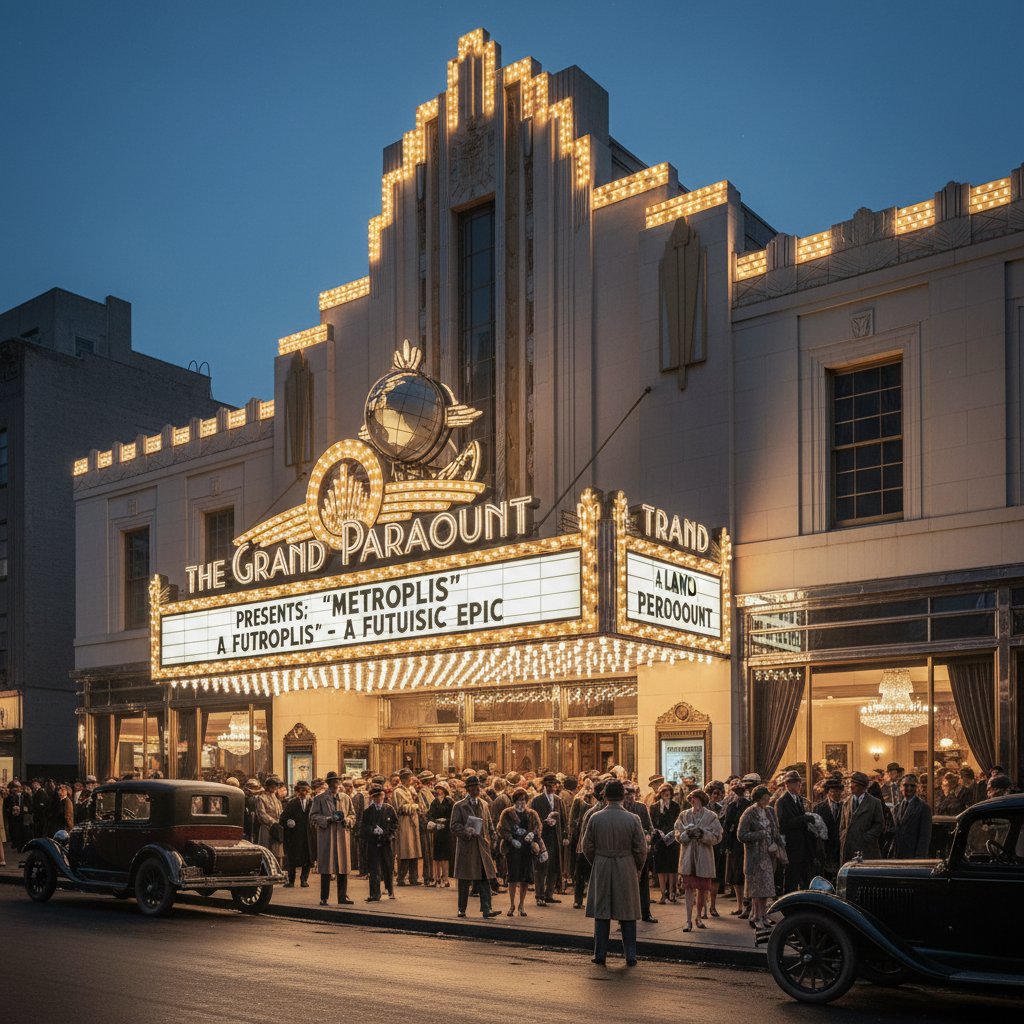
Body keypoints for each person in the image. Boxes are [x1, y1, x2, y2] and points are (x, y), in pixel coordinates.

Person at [581, 779, 647, 967]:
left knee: (602, 913)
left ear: (605, 796)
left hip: (602, 863)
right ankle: (630, 955)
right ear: (623, 797)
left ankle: (599, 954)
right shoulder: (633, 819)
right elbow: (641, 848)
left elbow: (586, 846)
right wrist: (637, 867)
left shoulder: (595, 817)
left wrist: (598, 861)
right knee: (627, 912)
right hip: (625, 864)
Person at [450, 774, 501, 919]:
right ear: (468, 790)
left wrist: (493, 838)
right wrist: (466, 831)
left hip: (482, 847)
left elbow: (489, 824)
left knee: (485, 878)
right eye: (473, 788)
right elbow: (453, 826)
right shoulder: (459, 805)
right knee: (464, 880)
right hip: (467, 847)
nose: (476, 790)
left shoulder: (484, 804)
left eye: (477, 787)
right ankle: (461, 909)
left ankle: (487, 909)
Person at [675, 789, 723, 931]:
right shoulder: (684, 815)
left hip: (704, 857)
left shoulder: (711, 816)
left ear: (701, 800)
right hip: (688, 857)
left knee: (702, 890)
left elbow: (718, 836)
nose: (692, 801)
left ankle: (699, 917)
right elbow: (677, 833)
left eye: (695, 798)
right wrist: (687, 834)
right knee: (688, 889)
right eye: (691, 798)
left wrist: (702, 834)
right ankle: (688, 920)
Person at [736, 785, 781, 929]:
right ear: (757, 798)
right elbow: (741, 835)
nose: (767, 799)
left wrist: (778, 841)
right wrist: (759, 835)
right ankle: (756, 916)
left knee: (767, 887)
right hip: (755, 855)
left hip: (768, 854)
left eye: (768, 797)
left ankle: (763, 915)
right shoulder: (749, 812)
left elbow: (775, 829)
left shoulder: (769, 811)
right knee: (756, 888)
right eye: (764, 797)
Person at [309, 771, 355, 906]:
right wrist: (328, 819)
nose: (336, 784)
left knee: (343, 866)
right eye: (333, 782)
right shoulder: (319, 799)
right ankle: (324, 897)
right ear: (328, 783)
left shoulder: (346, 798)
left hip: (342, 835)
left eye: (337, 781)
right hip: (327, 835)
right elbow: (312, 817)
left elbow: (353, 815)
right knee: (326, 867)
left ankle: (342, 896)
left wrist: (347, 820)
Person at [498, 787, 545, 917]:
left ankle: (521, 905)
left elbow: (538, 827)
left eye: (523, 800)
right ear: (514, 801)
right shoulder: (507, 813)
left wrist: (532, 834)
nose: (521, 803)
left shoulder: (531, 814)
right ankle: (512, 904)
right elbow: (501, 829)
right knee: (512, 878)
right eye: (518, 801)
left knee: (525, 879)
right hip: (512, 850)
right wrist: (511, 840)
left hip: (526, 850)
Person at [775, 769, 815, 893]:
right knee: (791, 877)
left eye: (799, 782)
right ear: (787, 785)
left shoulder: (799, 799)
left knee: (805, 877)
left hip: (803, 845)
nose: (799, 785)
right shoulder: (782, 801)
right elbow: (781, 825)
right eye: (796, 783)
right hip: (791, 846)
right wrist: (802, 819)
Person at [623, 782, 658, 923]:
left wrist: (649, 835)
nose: (629, 796)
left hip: (641, 849)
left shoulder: (641, 807)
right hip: (626, 851)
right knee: (626, 885)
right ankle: (624, 916)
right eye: (626, 793)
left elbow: (650, 827)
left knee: (643, 883)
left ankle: (646, 912)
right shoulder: (620, 808)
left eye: (631, 793)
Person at [530, 773, 564, 905]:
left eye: (554, 785)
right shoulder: (537, 800)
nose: (553, 787)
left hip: (555, 837)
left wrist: (565, 835)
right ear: (545, 785)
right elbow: (533, 818)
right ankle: (539, 895)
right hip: (542, 837)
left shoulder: (558, 800)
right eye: (550, 785)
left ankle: (549, 894)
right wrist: (544, 821)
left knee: (554, 866)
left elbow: (563, 819)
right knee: (541, 866)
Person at [362, 783, 398, 901]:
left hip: (386, 843)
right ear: (373, 798)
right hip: (373, 843)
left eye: (381, 796)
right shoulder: (368, 811)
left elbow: (395, 824)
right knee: (374, 869)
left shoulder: (389, 809)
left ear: (383, 796)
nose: (379, 799)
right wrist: (373, 831)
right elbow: (363, 827)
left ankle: (390, 890)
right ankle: (374, 894)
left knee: (388, 867)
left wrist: (386, 833)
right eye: (376, 797)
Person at [840, 771, 885, 860]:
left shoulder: (874, 803)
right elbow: (842, 825)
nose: (851, 786)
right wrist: (843, 837)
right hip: (848, 847)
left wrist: (867, 837)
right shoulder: (846, 802)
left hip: (866, 848)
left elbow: (879, 824)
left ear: (863, 787)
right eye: (851, 783)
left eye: (854, 784)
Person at [391, 768, 423, 886]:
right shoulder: (397, 792)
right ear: (404, 779)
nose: (411, 780)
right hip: (404, 823)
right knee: (405, 851)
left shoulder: (411, 790)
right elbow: (398, 808)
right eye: (409, 778)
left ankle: (413, 878)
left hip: (413, 823)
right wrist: (413, 806)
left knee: (413, 851)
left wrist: (415, 801)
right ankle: (401, 878)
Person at [649, 782, 680, 904]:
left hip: (672, 838)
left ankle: (672, 891)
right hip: (659, 839)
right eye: (663, 792)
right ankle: (663, 893)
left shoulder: (675, 806)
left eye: (668, 792)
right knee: (661, 867)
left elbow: (677, 821)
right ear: (660, 794)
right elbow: (652, 823)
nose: (666, 794)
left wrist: (672, 833)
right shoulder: (654, 807)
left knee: (672, 867)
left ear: (671, 794)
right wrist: (657, 833)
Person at [281, 780, 314, 887]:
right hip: (295, 835)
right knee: (293, 858)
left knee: (308, 858)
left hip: (308, 835)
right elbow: (283, 817)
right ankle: (291, 881)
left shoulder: (312, 803)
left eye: (306, 790)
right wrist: (288, 821)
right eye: (301, 790)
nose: (304, 793)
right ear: (297, 791)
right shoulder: (292, 803)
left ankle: (304, 880)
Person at [890, 774, 932, 858]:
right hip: (897, 856)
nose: (909, 788)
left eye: (912, 786)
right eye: (905, 785)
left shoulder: (923, 807)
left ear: (916, 788)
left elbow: (925, 836)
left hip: (913, 855)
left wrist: (920, 857)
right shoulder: (896, 808)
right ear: (901, 787)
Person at [813, 778, 845, 881]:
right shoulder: (818, 808)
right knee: (825, 875)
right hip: (825, 846)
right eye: (833, 791)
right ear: (828, 792)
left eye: (838, 791)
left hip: (840, 845)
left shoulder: (845, 806)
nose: (837, 794)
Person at [427, 781, 454, 887]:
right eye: (437, 789)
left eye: (441, 789)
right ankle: (437, 878)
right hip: (437, 831)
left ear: (445, 790)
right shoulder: (434, 802)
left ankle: (445, 878)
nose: (438, 791)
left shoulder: (450, 802)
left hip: (446, 831)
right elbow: (430, 815)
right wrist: (433, 822)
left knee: (445, 856)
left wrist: (446, 822)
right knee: (437, 856)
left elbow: (453, 816)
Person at [254, 776, 284, 862]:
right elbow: (261, 813)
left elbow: (280, 812)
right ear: (268, 786)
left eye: (276, 786)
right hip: (266, 827)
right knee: (266, 850)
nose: (275, 788)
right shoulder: (261, 798)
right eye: (274, 786)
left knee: (277, 851)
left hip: (276, 828)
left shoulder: (277, 799)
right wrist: (273, 822)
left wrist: (280, 821)